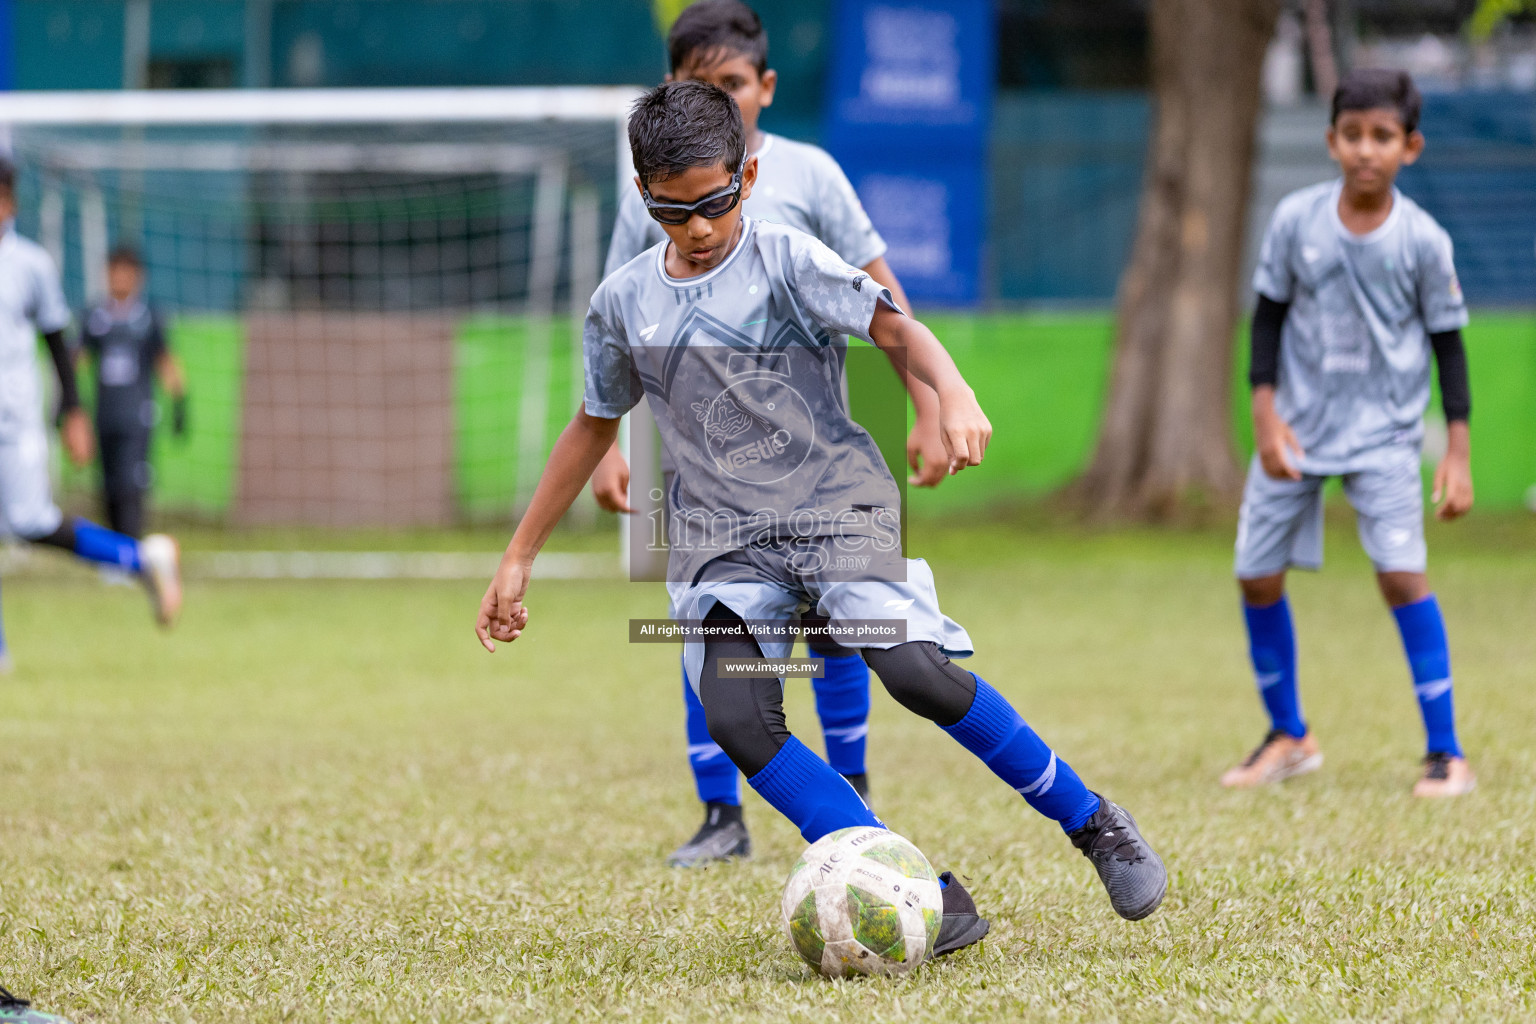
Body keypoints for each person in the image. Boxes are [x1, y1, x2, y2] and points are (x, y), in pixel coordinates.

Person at [477, 82, 1167, 953]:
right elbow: (593, 422)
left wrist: (949, 392)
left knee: (914, 670)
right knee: (734, 716)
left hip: (835, 508)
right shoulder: (621, 302)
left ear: (749, 177)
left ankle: (1092, 820)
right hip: (725, 544)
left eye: (715, 203)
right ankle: (916, 887)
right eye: (671, 209)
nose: (696, 227)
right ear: (645, 196)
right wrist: (518, 557)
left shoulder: (785, 259)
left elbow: (895, 330)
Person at [595, 0, 949, 869]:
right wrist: (610, 441)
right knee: (707, 622)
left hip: (807, 445)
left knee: (834, 623)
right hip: (692, 442)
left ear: (764, 87)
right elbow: (622, 309)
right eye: (696, 84)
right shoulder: (655, 188)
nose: (719, 97)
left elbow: (881, 291)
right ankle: (721, 809)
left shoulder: (811, 175)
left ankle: (854, 788)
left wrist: (930, 402)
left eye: (732, 84)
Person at [1223, 68, 1475, 797]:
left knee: (1402, 576)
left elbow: (1448, 345)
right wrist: (1264, 416)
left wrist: (1456, 452)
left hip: (1385, 436)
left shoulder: (1424, 242)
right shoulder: (1297, 221)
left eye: (1384, 137)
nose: (1368, 150)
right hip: (1296, 430)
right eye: (1354, 135)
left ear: (1410, 147)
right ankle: (1289, 735)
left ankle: (1446, 750)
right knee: (1255, 573)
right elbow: (1266, 319)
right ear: (1332, 141)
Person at [0, 159, 181, 628]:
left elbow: (60, 343)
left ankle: (140, 560)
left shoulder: (29, 265)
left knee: (33, 523)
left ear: (8, 203)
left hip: (14, 425)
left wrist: (73, 413)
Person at [79, 245, 186, 539]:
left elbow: (166, 361)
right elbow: (78, 362)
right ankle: (115, 553)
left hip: (138, 414)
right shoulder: (95, 317)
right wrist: (67, 405)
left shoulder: (149, 317)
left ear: (138, 277)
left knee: (132, 483)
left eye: (127, 272)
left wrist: (180, 405)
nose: (120, 278)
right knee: (108, 483)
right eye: (115, 271)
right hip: (105, 413)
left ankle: (132, 545)